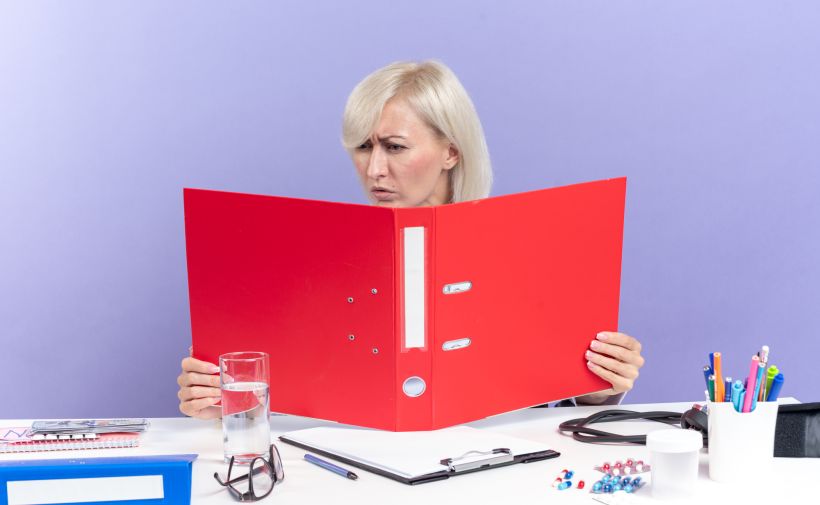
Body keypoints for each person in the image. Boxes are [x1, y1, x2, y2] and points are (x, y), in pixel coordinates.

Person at [178, 61, 645, 419]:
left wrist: (597, 386)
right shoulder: (305, 260)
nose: (375, 170)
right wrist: (217, 402)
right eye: (363, 147)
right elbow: (289, 403)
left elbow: (554, 406)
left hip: (500, 467)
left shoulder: (530, 247)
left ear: (450, 151)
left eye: (395, 147)